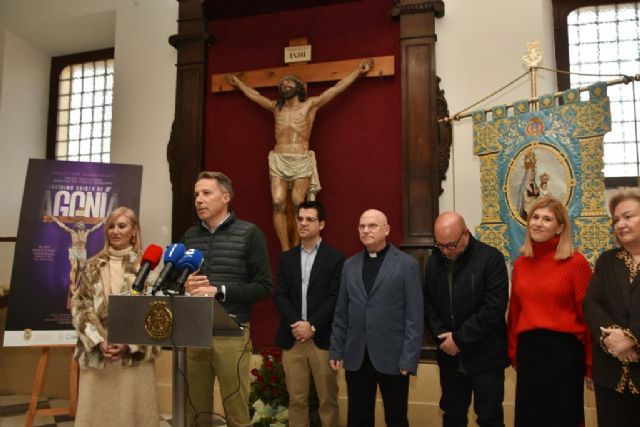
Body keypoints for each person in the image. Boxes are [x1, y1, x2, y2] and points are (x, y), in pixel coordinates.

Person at [225, 58, 373, 251]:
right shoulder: (276, 108)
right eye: (281, 84)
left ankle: (296, 247)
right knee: (278, 202)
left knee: (297, 203)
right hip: (279, 158)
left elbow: (336, 89)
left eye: (288, 83)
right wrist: (239, 84)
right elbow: (255, 96)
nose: (284, 86)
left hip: (301, 160)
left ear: (299, 87)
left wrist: (357, 72)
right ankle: (286, 249)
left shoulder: (310, 105)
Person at [181, 171, 272, 427]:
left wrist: (219, 290)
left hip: (232, 333)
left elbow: (264, 287)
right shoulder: (189, 236)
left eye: (206, 193)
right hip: (195, 333)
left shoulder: (249, 233)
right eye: (196, 194)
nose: (199, 199)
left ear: (226, 197)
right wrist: (185, 286)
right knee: (194, 412)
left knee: (236, 412)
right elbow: (176, 283)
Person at [329, 209, 423, 427]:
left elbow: (414, 317)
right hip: (356, 356)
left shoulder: (407, 265)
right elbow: (341, 311)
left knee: (396, 417)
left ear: (386, 230)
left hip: (394, 358)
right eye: (362, 226)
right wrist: (336, 348)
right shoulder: (349, 266)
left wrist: (409, 358)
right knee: (358, 418)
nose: (366, 230)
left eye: (372, 225)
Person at [71, 206, 160, 427]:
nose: (115, 231)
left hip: (133, 357)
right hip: (99, 354)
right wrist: (99, 341)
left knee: (132, 416)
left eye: (122, 226)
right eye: (111, 226)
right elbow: (80, 306)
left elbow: (153, 313)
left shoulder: (147, 268)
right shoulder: (92, 265)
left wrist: (127, 344)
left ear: (134, 231)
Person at [507, 197, 592, 427]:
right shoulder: (521, 264)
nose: (538, 223)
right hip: (529, 353)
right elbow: (515, 313)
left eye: (547, 219)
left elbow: (588, 318)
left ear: (560, 227)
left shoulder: (576, 263)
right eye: (535, 217)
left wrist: (590, 365)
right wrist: (514, 352)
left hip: (564, 356)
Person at [424, 212, 509, 427]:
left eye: (451, 245)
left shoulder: (491, 259)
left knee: (489, 419)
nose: (445, 251)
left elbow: (493, 309)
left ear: (465, 234)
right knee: (452, 416)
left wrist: (459, 339)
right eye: (440, 245)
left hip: (486, 357)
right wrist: (443, 337)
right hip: (450, 359)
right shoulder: (434, 262)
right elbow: (427, 304)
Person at [274, 200, 345, 427]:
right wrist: (297, 324)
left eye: (310, 219)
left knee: (328, 401)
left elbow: (335, 298)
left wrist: (312, 326)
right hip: (293, 338)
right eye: (300, 219)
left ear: (321, 224)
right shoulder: (287, 258)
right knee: (296, 400)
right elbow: (280, 295)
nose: (303, 223)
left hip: (321, 339)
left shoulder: (336, 258)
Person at [583, 188, 640, 426]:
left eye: (628, 217)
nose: (620, 224)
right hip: (611, 372)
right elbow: (592, 303)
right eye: (616, 219)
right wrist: (613, 341)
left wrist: (631, 337)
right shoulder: (607, 260)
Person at [47, 215, 105, 306]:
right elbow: (63, 226)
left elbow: (95, 228)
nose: (82, 226)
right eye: (80, 225)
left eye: (83, 225)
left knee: (82, 269)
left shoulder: (87, 232)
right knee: (74, 268)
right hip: (74, 251)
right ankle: (73, 284)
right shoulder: (72, 232)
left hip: (82, 252)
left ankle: (78, 284)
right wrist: (55, 220)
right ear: (77, 226)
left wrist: (102, 222)